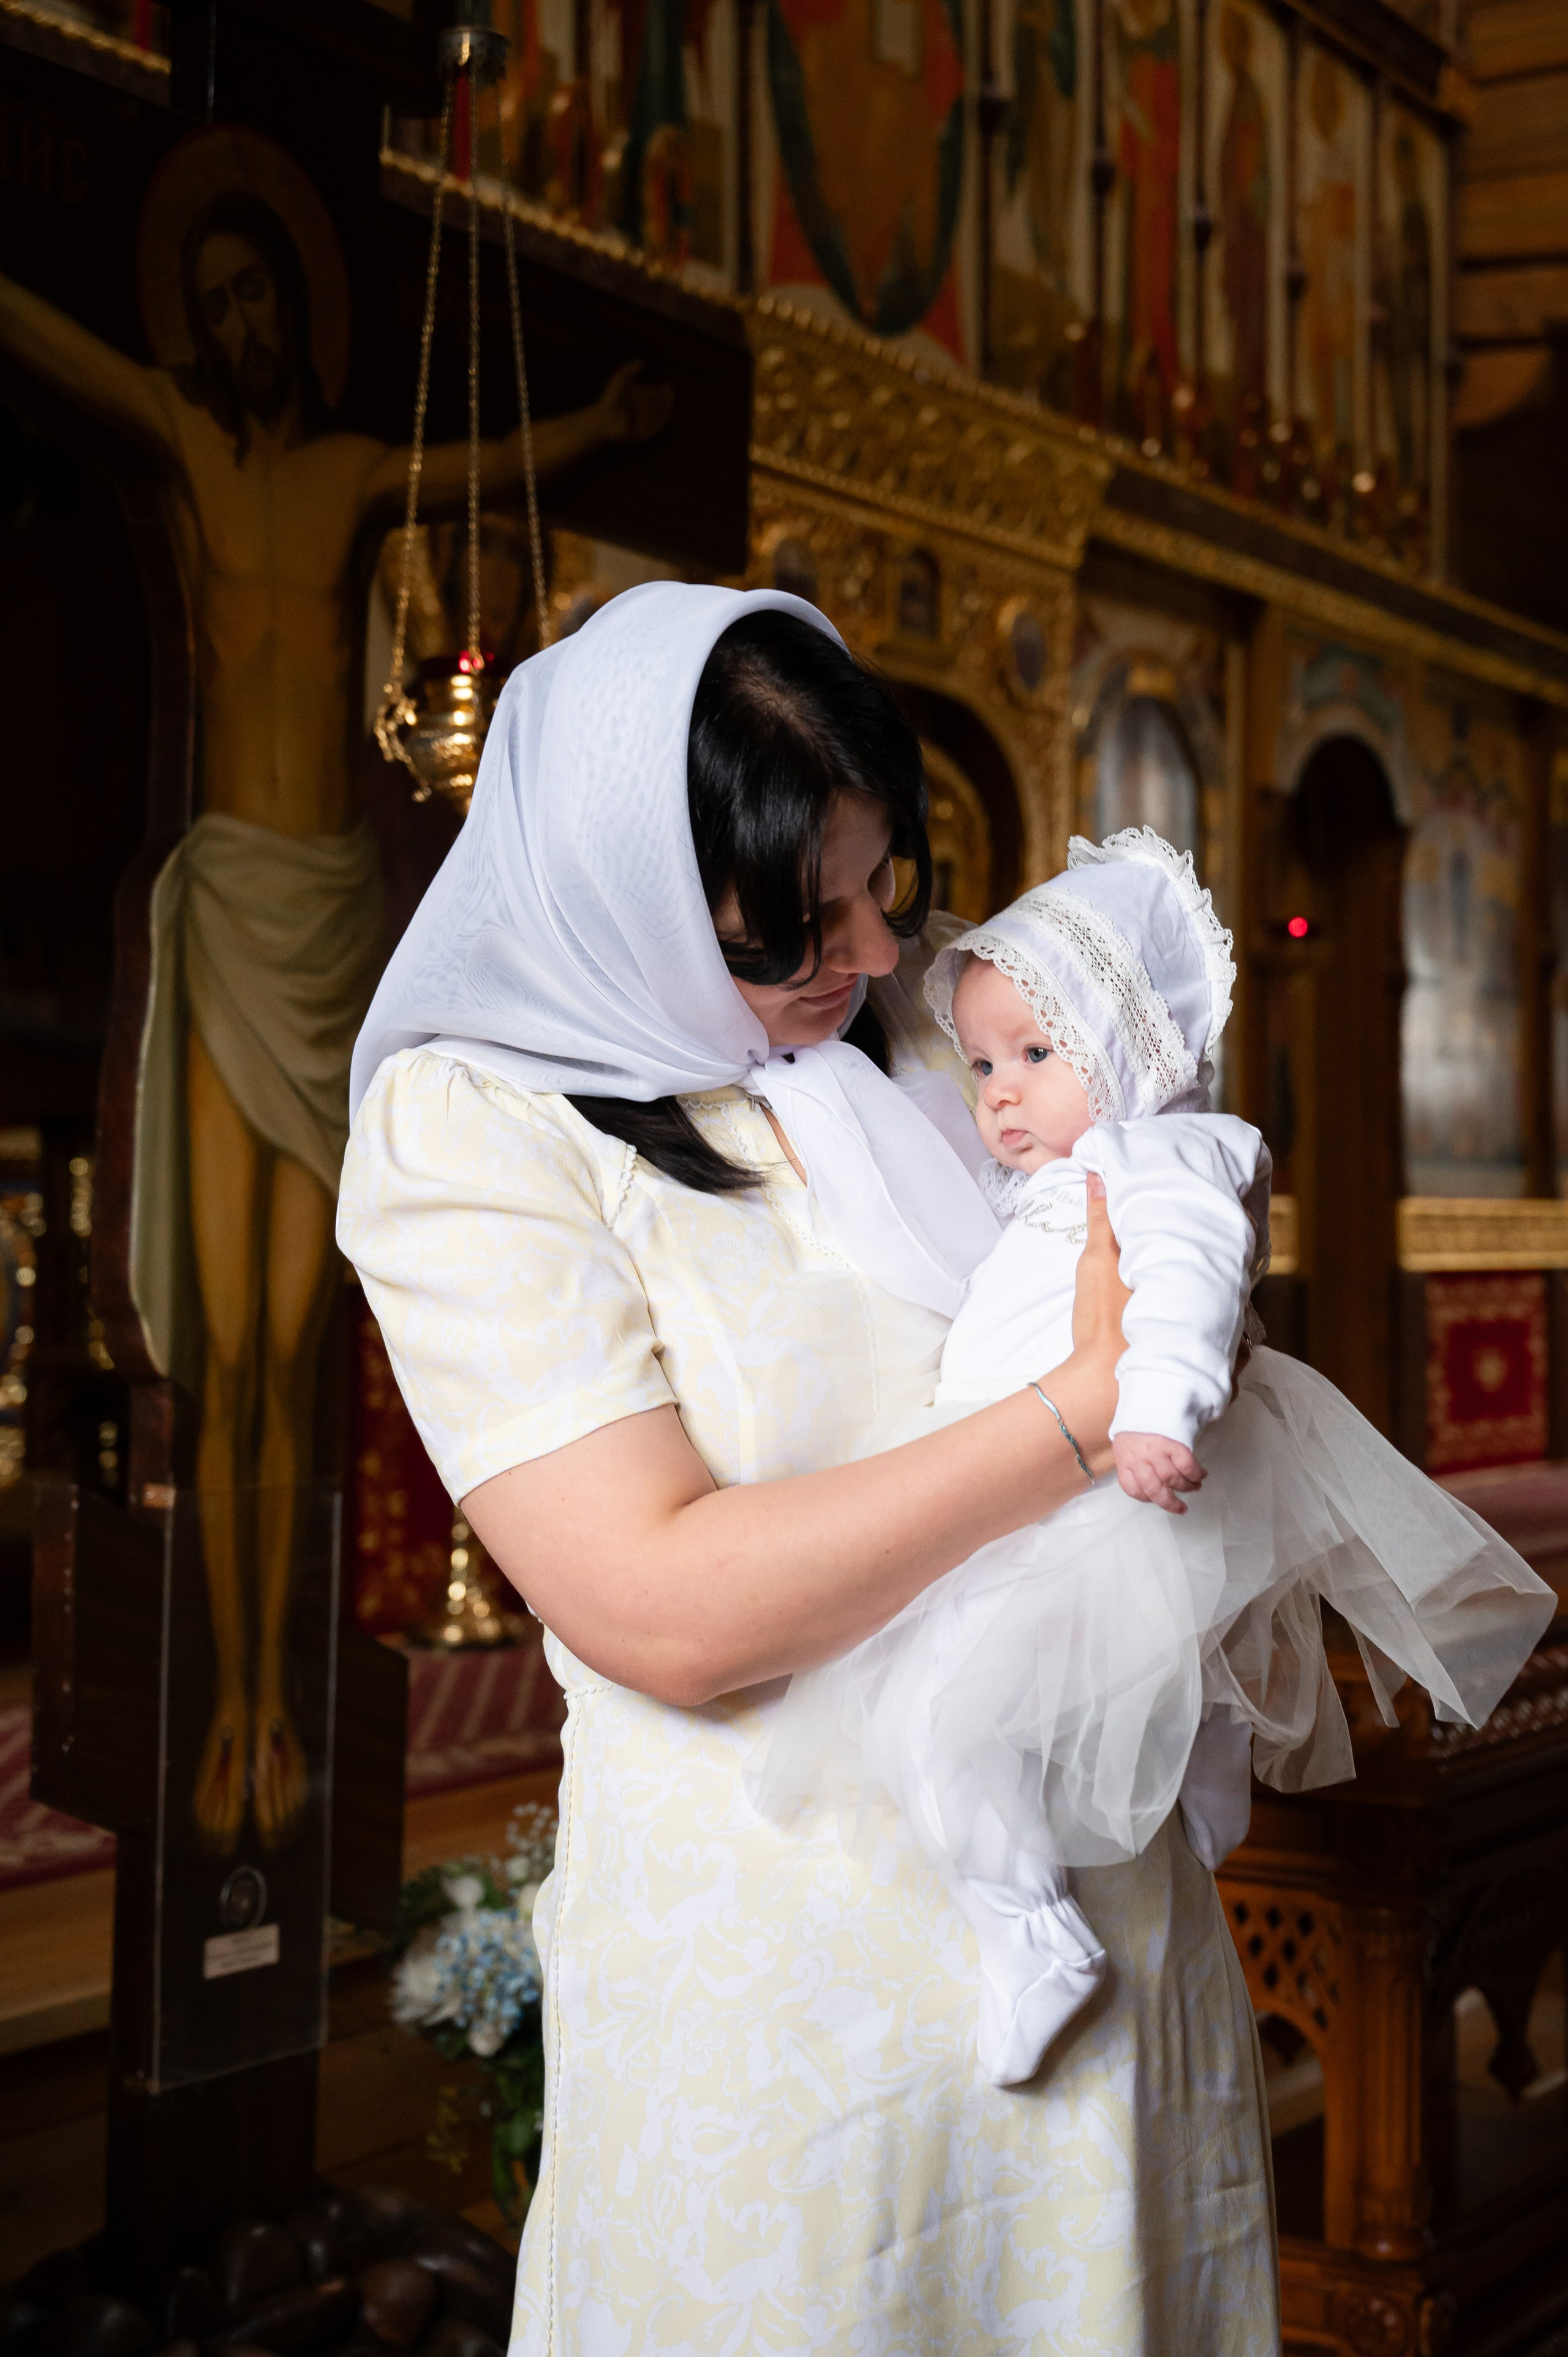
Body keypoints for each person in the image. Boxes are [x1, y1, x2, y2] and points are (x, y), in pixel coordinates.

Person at [339, 581, 1283, 2352]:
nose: (865, 956)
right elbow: (664, 1603)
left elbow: (1142, 1214)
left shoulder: (920, 1038)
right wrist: (1077, 1415)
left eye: (881, 885)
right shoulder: (473, 1131)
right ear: (628, 899)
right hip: (793, 2000)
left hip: (1104, 1920)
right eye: (792, 925)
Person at [0, 191, 668, 1853]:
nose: (237, 327)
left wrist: (603, 421)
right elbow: (58, 344)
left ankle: (270, 1696)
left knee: (297, 1350)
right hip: (229, 906)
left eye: (257, 297)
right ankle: (225, 1695)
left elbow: (490, 446)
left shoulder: (352, 474)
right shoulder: (188, 448)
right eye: (212, 302)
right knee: (216, 1350)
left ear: (294, 314)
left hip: (335, 921)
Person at [759, 833, 1556, 2095]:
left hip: (1106, 1478)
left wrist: (1158, 1410)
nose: (998, 1092)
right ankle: (1199, 1772)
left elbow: (1186, 1281)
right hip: (1050, 1485)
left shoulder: (1162, 1156)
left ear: (1131, 1052)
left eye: (1034, 1053)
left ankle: (1030, 1938)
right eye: (979, 1063)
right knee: (1077, 1680)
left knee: (930, 1716)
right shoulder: (1058, 1172)